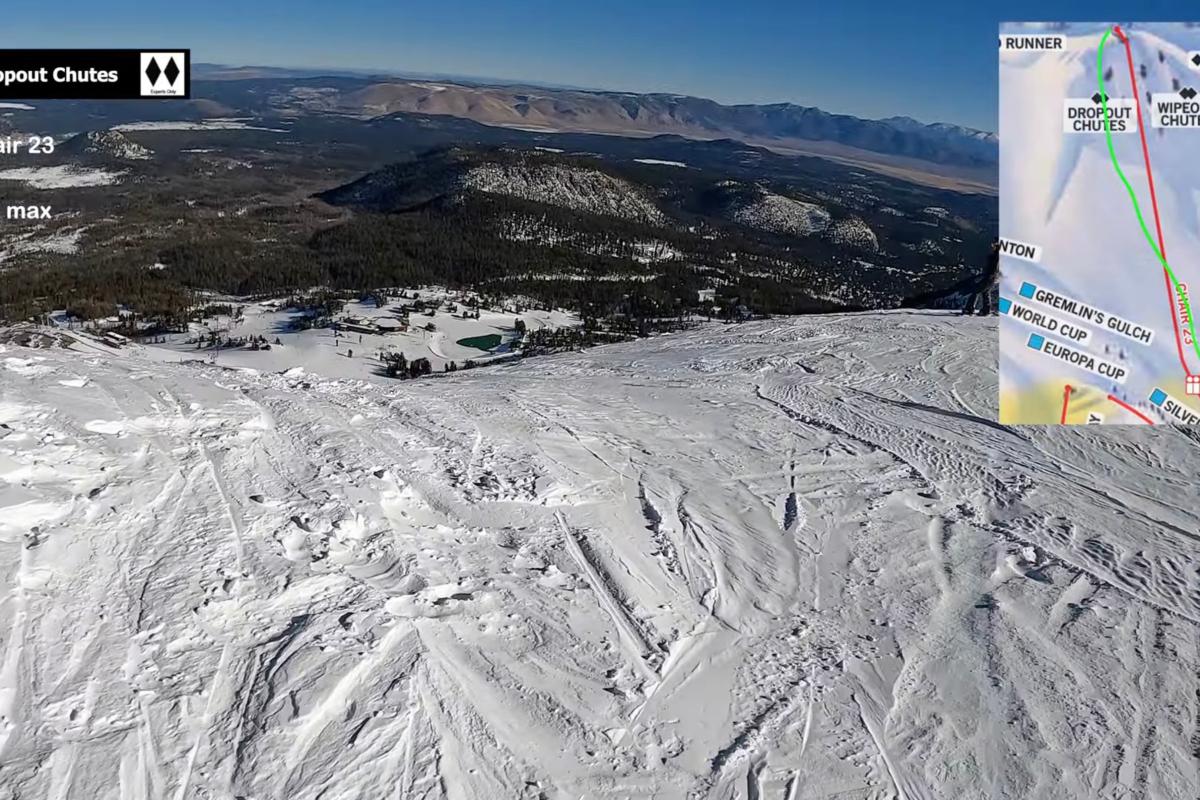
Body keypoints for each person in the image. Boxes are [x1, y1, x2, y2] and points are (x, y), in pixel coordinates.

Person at [962, 241, 1000, 316]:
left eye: (994, 245)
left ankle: (969, 309)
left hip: (989, 277)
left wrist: (986, 274)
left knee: (976, 291)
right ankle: (986, 310)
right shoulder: (996, 256)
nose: (992, 246)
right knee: (985, 292)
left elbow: (992, 268)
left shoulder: (995, 257)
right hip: (992, 278)